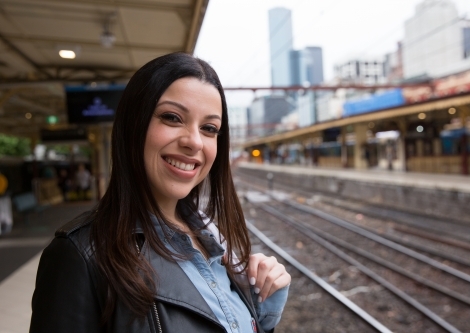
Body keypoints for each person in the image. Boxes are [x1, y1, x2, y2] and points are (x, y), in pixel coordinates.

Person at [29, 52, 291, 333]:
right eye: (172, 117)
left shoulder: (213, 236)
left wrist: (264, 316)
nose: (194, 142)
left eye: (209, 128)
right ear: (134, 125)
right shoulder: (80, 256)